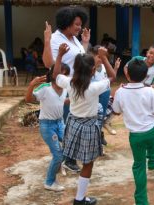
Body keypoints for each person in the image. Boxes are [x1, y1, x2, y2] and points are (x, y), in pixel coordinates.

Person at [53, 43, 115, 205]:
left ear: (75, 69)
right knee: (88, 163)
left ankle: (79, 194)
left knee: (74, 155)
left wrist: (59, 55)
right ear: (93, 71)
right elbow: (113, 77)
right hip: (88, 126)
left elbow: (56, 76)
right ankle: (80, 198)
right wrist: (104, 58)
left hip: (73, 123)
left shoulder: (70, 83)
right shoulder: (94, 87)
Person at [42, 6, 91, 172]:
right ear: (66, 23)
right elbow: (49, 64)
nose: (79, 27)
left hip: (75, 86)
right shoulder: (56, 39)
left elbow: (81, 59)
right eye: (76, 24)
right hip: (63, 86)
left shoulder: (74, 39)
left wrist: (84, 42)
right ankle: (66, 159)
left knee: (72, 122)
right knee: (68, 123)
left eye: (80, 24)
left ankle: (66, 158)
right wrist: (47, 42)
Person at [112, 59, 154, 205]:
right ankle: (153, 160)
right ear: (146, 75)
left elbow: (116, 112)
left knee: (139, 166)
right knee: (152, 147)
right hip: (152, 129)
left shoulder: (121, 91)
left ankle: (142, 201)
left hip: (136, 136)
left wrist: (118, 95)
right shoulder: (150, 91)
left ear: (127, 74)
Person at [25, 63, 70, 192]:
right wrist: (31, 85)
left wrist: (72, 100)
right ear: (53, 75)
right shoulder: (45, 88)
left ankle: (59, 164)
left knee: (70, 144)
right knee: (57, 155)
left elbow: (60, 101)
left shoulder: (65, 89)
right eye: (61, 74)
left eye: (66, 75)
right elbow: (28, 99)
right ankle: (49, 182)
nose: (63, 78)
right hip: (47, 125)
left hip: (60, 122)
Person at [89, 45, 120, 145]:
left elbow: (110, 79)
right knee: (92, 117)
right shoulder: (88, 68)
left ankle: (99, 134)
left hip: (104, 94)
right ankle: (94, 138)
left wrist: (115, 68)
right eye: (99, 57)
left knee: (101, 116)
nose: (102, 59)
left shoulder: (103, 67)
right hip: (93, 96)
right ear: (92, 55)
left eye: (104, 57)